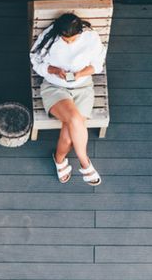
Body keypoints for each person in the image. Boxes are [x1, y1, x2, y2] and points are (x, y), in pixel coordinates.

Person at [30, 11, 105, 185]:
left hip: (83, 87)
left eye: (72, 39)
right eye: (65, 39)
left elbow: (97, 64)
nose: (68, 42)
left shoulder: (91, 38)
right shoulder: (50, 39)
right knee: (74, 119)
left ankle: (59, 159)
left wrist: (80, 74)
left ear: (80, 32)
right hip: (55, 87)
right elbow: (35, 61)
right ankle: (85, 162)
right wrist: (55, 71)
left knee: (71, 134)